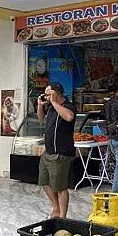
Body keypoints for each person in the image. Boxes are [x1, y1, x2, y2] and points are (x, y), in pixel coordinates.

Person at [37, 82, 76, 219]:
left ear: (56, 94)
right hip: (48, 152)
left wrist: (53, 103)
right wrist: (40, 105)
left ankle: (62, 215)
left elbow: (69, 117)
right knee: (44, 182)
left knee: (60, 187)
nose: (46, 97)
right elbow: (41, 119)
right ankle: (55, 206)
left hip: (60, 153)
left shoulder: (67, 106)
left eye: (48, 94)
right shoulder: (51, 108)